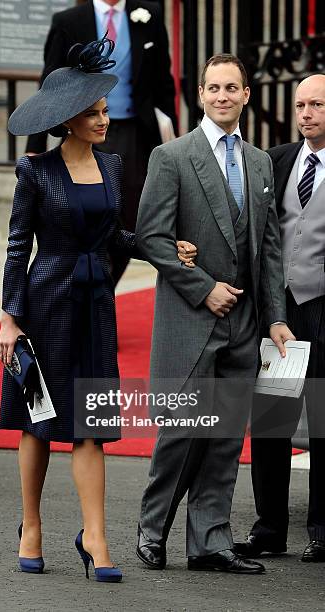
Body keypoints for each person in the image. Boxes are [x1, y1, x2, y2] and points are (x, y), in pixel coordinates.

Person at [0, 37, 192, 579]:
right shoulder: (35, 172)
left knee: (94, 425)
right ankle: (31, 526)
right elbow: (18, 246)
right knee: (37, 422)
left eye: (105, 110)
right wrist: (10, 319)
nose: (105, 120)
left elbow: (115, 238)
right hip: (45, 304)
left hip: (95, 309)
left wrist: (162, 245)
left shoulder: (109, 167)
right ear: (69, 122)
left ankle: (95, 538)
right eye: (94, 113)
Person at [135, 53, 295, 575]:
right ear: (200, 95)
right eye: (212, 88)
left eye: (231, 88)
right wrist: (203, 290)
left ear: (246, 95)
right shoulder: (171, 157)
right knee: (181, 433)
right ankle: (152, 529)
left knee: (226, 436)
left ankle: (209, 541)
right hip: (190, 317)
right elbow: (153, 238)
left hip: (246, 323)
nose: (222, 96)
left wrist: (274, 316)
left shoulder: (260, 162)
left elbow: (269, 248)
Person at [234, 74, 325, 564]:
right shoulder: (278, 160)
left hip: (323, 306)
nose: (306, 113)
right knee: (270, 421)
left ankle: (323, 529)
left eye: (317, 105)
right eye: (300, 105)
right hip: (280, 310)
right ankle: (269, 528)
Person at [25, 0, 178, 286]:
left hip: (134, 133)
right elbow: (49, 83)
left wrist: (175, 143)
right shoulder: (68, 20)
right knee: (86, 215)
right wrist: (35, 144)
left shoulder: (149, 15)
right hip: (84, 132)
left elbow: (163, 82)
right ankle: (85, 286)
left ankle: (102, 285)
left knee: (130, 218)